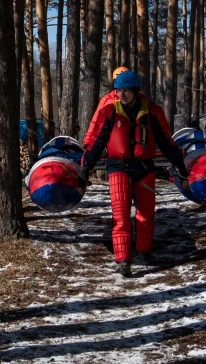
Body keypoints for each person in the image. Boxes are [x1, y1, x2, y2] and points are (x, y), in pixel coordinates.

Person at [79, 70, 187, 277]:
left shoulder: (152, 112)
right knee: (121, 217)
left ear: (136, 91)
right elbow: (98, 141)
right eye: (119, 90)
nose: (122, 94)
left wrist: (179, 164)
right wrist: (86, 167)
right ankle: (123, 260)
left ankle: (144, 252)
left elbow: (165, 141)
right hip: (118, 167)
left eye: (126, 91)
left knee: (146, 215)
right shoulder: (109, 111)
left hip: (144, 167)